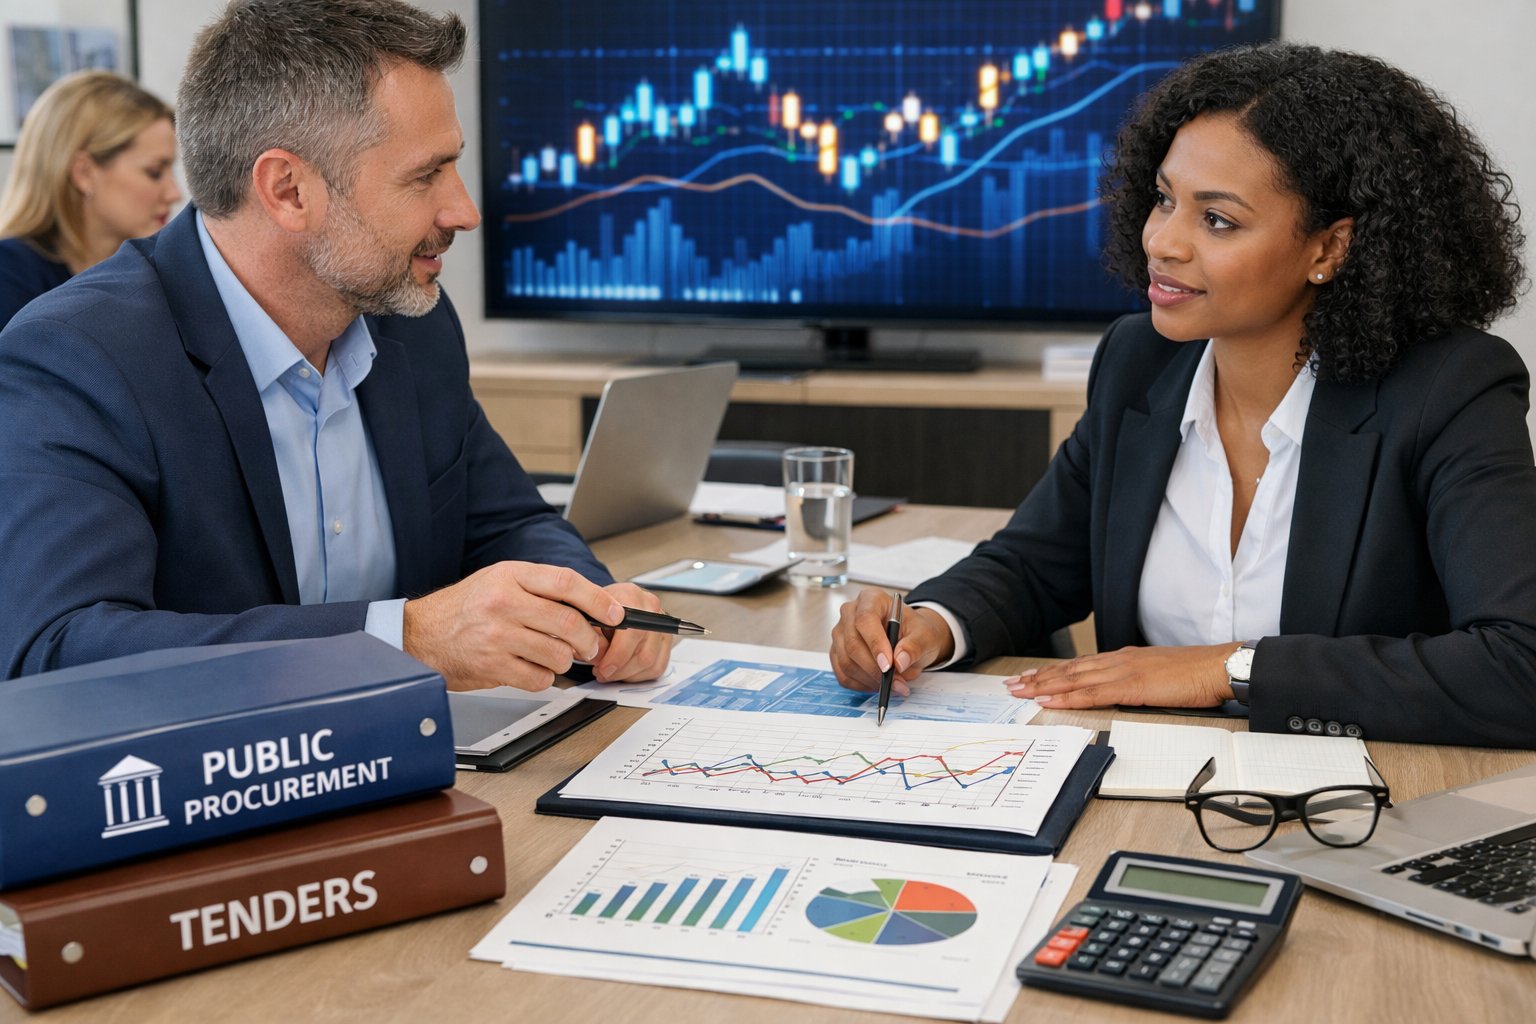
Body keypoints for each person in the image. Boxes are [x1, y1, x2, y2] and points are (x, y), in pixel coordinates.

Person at [829, 42, 1536, 748]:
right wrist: (928, 625)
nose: (1162, 242)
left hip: (1355, 806)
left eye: (1217, 219)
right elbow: (1034, 566)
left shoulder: (1449, 390)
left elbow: (1519, 666)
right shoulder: (1140, 360)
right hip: (1140, 787)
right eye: (1165, 199)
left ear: (1330, 249)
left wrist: (1231, 671)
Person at [0, 0, 671, 690]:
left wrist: (590, 605)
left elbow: (506, 522)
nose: (464, 211)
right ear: (287, 189)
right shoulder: (77, 357)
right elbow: (56, 652)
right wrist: (405, 640)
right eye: (424, 175)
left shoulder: (414, 323)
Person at [0, 70, 180, 328]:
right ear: (84, 173)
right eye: (154, 172)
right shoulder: (9, 276)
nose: (174, 193)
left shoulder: (155, 275)